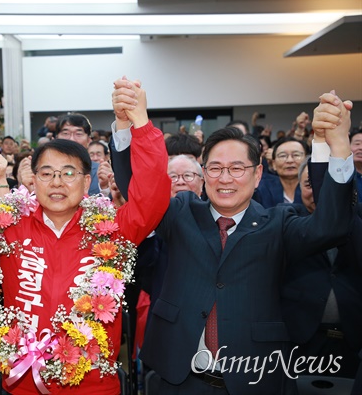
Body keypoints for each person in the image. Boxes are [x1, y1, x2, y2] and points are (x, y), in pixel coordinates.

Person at [111, 80, 356, 394]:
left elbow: (332, 226)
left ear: (257, 176)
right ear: (204, 173)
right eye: (215, 168)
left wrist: (337, 146)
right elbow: (139, 192)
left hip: (254, 379)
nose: (224, 178)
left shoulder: (279, 223)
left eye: (237, 168)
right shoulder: (181, 212)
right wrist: (125, 123)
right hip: (176, 378)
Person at [0, 78, 171, 394]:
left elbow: (152, 195)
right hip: (21, 380)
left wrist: (142, 125)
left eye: (69, 173)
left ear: (87, 180)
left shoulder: (113, 231)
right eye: (47, 174)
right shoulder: (7, 226)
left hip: (93, 384)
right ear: (32, 180)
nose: (57, 183)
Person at [281, 158, 362, 379]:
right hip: (299, 339)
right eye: (311, 185)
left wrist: (343, 209)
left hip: (353, 339)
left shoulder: (357, 220)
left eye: (328, 187)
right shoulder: (285, 220)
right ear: (298, 187)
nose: (321, 194)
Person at [253, 137, 307, 208]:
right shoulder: (261, 188)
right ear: (274, 164)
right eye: (283, 156)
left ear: (306, 160)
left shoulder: (313, 189)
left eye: (296, 155)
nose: (289, 160)